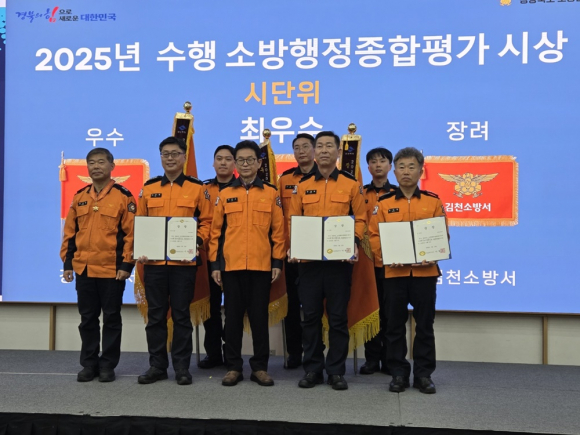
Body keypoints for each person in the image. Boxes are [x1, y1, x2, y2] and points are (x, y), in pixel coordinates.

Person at [288, 131, 366, 391]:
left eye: (328, 146)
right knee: (310, 318)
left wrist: (354, 241)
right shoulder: (302, 185)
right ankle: (312, 370)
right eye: (319, 146)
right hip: (308, 264)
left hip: (338, 264)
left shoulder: (351, 184)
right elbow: (293, 220)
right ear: (314, 152)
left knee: (337, 318)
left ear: (338, 152)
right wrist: (294, 245)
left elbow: (361, 219)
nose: (323, 150)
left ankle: (336, 371)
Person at [369, 147, 448, 394]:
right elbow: (373, 236)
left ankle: (423, 375)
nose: (406, 171)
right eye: (401, 167)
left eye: (411, 167)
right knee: (394, 326)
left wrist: (432, 253)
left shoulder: (433, 201)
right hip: (394, 274)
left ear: (421, 171)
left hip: (425, 274)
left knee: (425, 325)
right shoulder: (383, 204)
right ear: (394, 172)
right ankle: (398, 373)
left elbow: (442, 235)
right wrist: (386, 257)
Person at [136, 136, 212, 386]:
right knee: (156, 317)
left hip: (184, 265)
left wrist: (197, 241)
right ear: (160, 157)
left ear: (183, 157)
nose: (170, 158)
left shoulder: (197, 188)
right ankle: (157, 366)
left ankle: (181, 367)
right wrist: (142, 247)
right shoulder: (149, 188)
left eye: (175, 154)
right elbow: (140, 223)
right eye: (165, 154)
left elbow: (208, 222)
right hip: (154, 265)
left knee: (181, 317)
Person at [209, 140, 285, 387]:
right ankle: (233, 367)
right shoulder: (225, 194)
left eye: (249, 160)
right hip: (231, 267)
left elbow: (278, 231)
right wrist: (215, 265)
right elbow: (216, 233)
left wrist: (277, 261)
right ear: (234, 163)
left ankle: (260, 368)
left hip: (261, 266)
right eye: (240, 160)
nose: (244, 164)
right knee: (232, 318)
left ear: (259, 163)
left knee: (259, 318)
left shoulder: (271, 193)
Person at [61, 147, 135, 383]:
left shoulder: (124, 196)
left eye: (101, 162)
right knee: (87, 319)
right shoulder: (80, 196)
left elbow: (131, 234)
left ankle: (107, 365)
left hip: (111, 269)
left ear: (112, 166)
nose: (96, 166)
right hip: (84, 268)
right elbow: (70, 233)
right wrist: (68, 263)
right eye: (91, 163)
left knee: (111, 319)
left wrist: (126, 264)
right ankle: (89, 364)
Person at [277, 133, 317, 369]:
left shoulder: (325, 178)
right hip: (291, 254)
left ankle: (317, 351)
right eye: (297, 148)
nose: (301, 151)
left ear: (315, 150)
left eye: (305, 147)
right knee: (291, 305)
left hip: (317, 254)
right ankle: (294, 352)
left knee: (316, 307)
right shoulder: (284, 180)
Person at [198, 145, 237, 369]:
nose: (223, 162)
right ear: (213, 163)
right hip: (208, 256)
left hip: (235, 255)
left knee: (233, 309)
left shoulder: (244, 188)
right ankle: (213, 353)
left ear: (235, 163)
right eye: (219, 158)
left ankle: (231, 353)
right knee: (210, 308)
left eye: (228, 159)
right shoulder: (202, 189)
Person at [360, 147, 397, 375]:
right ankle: (371, 359)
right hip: (366, 261)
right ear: (368, 167)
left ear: (390, 166)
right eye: (373, 162)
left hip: (392, 262)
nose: (378, 165)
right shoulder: (360, 193)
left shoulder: (398, 193)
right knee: (370, 310)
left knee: (390, 313)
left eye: (382, 161)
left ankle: (390, 359)